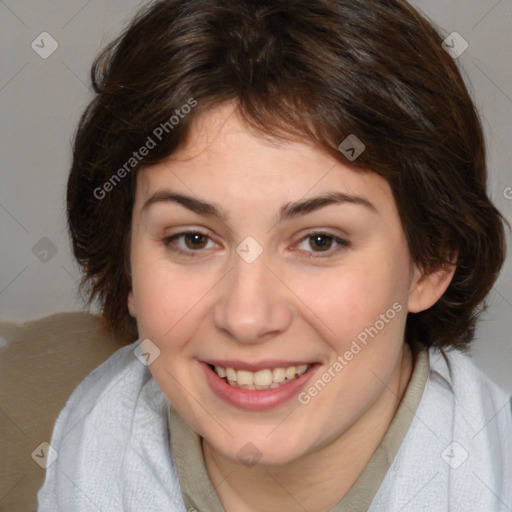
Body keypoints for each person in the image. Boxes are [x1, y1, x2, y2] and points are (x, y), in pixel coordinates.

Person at [37, 0, 512, 510]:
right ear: (127, 261)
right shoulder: (78, 451)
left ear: (432, 262)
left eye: (320, 241)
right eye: (193, 239)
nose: (246, 317)